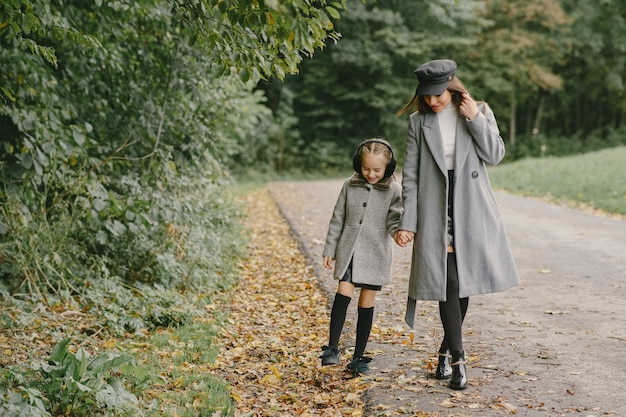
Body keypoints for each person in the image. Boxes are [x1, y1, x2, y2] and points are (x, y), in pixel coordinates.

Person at [394, 59, 520, 390]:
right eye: (427, 96)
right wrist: (408, 222)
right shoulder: (417, 122)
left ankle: (444, 352)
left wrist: (475, 120)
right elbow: (410, 176)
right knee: (447, 281)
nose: (432, 101)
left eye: (438, 94)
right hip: (435, 208)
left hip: (470, 207)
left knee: (462, 283)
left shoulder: (478, 111)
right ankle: (460, 359)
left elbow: (495, 155)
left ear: (452, 87)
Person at [320, 139, 403, 376]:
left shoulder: (394, 190)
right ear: (359, 164)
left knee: (366, 302)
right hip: (349, 249)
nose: (371, 174)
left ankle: (358, 357)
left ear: (388, 167)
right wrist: (330, 249)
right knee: (342, 293)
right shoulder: (350, 185)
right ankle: (332, 348)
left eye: (377, 170)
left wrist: (400, 234)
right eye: (366, 168)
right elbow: (337, 218)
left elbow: (395, 220)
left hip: (376, 252)